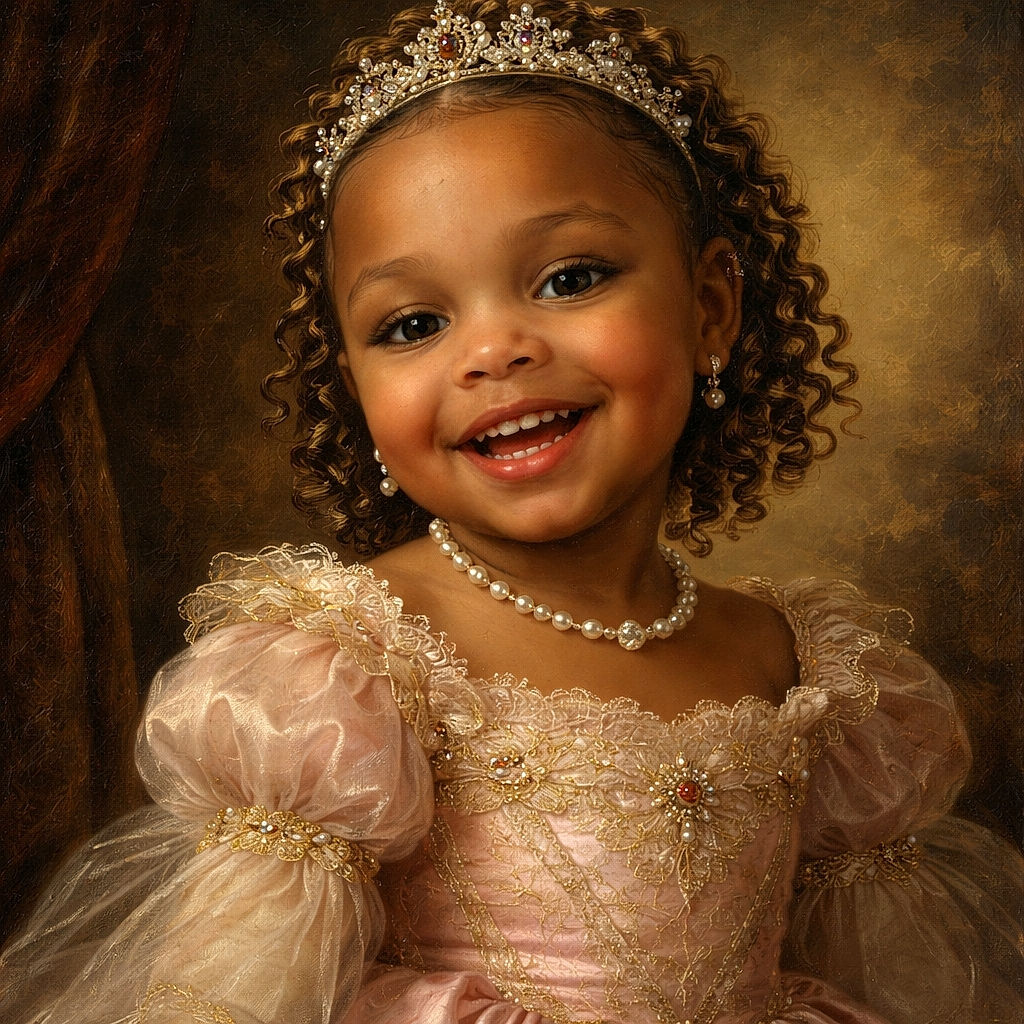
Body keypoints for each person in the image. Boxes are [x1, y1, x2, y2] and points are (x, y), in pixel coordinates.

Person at [2, 2, 1022, 1022]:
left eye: (569, 278)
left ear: (710, 306)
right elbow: (231, 998)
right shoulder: (346, 668)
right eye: (413, 323)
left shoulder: (801, 667)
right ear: (354, 386)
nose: (493, 351)